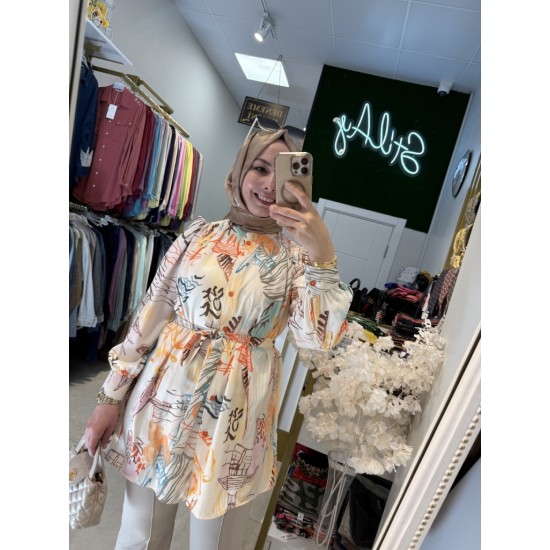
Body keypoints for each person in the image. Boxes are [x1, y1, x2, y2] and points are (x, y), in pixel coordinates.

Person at [83, 128, 353, 550]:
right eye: (259, 168)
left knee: (217, 543)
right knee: (140, 536)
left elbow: (316, 341)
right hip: (163, 404)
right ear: (240, 170)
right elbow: (150, 317)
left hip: (237, 420)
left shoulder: (299, 257)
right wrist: (110, 398)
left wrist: (323, 256)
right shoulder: (198, 236)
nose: (268, 184)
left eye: (281, 175)